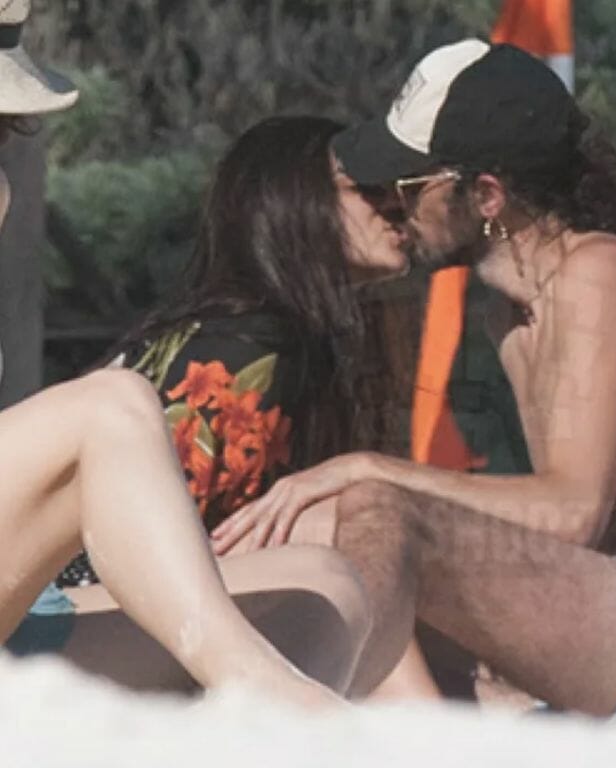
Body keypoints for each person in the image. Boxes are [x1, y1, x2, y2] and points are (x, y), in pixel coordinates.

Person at [212, 39, 616, 714]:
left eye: (409, 187)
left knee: (376, 512)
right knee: (322, 528)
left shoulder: (600, 273)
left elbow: (569, 513)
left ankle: (369, 739)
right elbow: (571, 530)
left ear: (486, 194)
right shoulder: (511, 318)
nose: (392, 206)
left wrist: (365, 468)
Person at [0, 0, 366, 707]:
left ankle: (253, 727)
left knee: (325, 591)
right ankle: (265, 694)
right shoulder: (233, 351)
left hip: (30, 610)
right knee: (109, 409)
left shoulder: (299, 343)